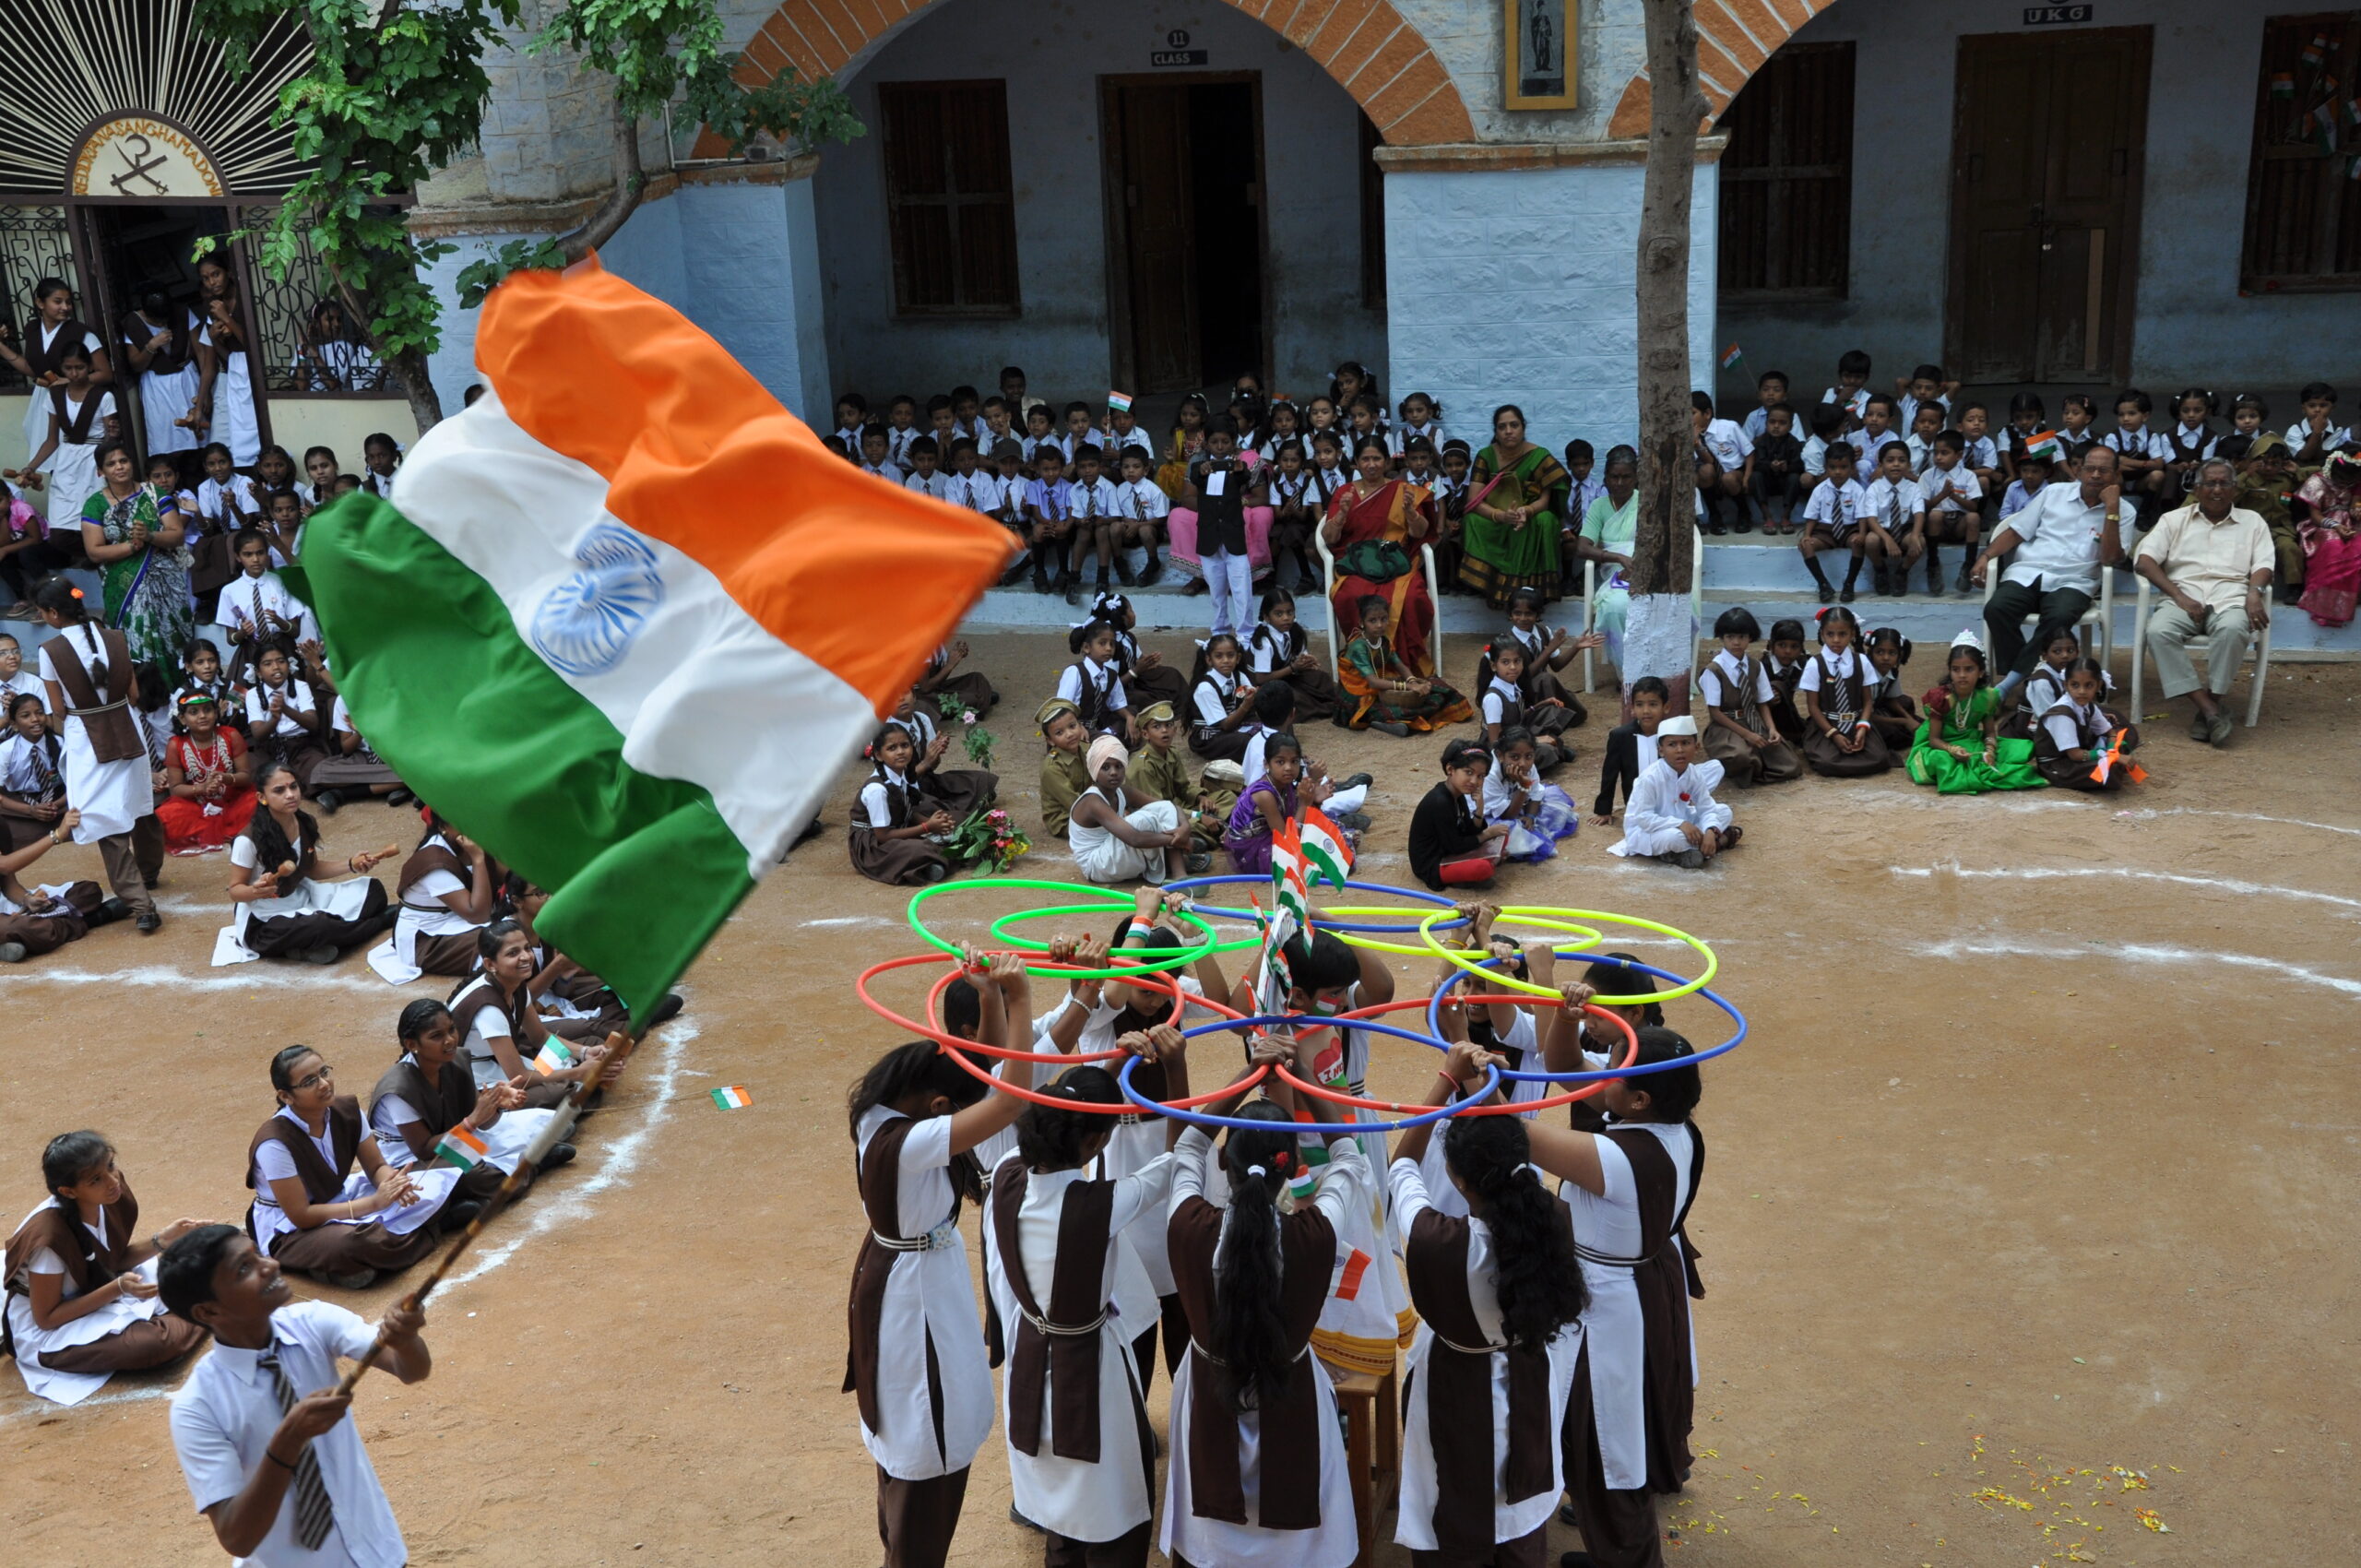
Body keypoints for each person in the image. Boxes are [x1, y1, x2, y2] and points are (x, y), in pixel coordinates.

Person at [848, 966, 1031, 1568]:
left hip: (905, 1280)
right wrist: (1022, 996)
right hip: (916, 1301)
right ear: (937, 1105)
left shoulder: (881, 1114)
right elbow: (1006, 1100)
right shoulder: (914, 1141)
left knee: (906, 1450)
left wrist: (986, 994)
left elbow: (983, 1068)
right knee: (929, 1447)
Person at [1160, 1060, 1371, 1568]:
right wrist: (1300, 1076)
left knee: (1212, 1522)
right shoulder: (1314, 1234)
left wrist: (1245, 1074)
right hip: (1291, 1388)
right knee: (1297, 1536)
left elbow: (1187, 1145)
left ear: (1225, 1162)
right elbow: (1348, 1154)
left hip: (1210, 1388)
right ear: (1292, 1163)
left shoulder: (1189, 1225)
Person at [984, 1044, 1187, 1568]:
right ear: (1097, 1143)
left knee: (1059, 1511)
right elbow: (1183, 1152)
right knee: (1115, 1510)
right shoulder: (1104, 1205)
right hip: (1090, 1368)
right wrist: (1178, 1066)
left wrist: (1112, 1072)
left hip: (1029, 1356)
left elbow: (1067, 1121)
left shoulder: (1005, 1177)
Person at [1388, 1042, 1587, 1564]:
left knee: (1450, 1502)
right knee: (1519, 1511)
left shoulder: (1440, 1239)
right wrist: (1487, 1093)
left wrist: (1447, 1079)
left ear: (1455, 1177)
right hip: (1527, 1374)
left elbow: (1401, 1164)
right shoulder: (1552, 1216)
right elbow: (1511, 1154)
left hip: (1456, 1384)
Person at [1520, 1025, 1707, 1568]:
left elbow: (1512, 1129)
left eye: (1615, 1071)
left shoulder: (1614, 1157)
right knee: (1621, 1431)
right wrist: (1562, 1012)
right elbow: (1566, 1064)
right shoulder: (1679, 1133)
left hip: (1605, 1313)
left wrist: (1466, 1079)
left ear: (1640, 1099)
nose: (1603, 1073)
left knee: (1604, 1443)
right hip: (1643, 1289)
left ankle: (1627, 1561)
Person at [161, 1223, 431, 1565]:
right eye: (244, 1268)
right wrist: (287, 1441)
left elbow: (412, 1369)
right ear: (208, 1312)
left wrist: (405, 1340)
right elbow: (236, 1538)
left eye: (257, 1253)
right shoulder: (197, 1407)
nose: (270, 1265)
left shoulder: (313, 1322)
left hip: (376, 1554)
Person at [4, 1130, 207, 1406]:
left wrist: (161, 1241)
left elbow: (112, 1259)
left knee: (213, 1254)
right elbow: (47, 1317)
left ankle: (197, 1304)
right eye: (96, 1179)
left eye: (111, 1165)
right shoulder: (48, 1240)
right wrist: (117, 1288)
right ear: (68, 1191)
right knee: (154, 1344)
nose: (112, 1181)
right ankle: (206, 1305)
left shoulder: (109, 1194)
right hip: (52, 1326)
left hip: (100, 1287)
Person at [242, 1046, 463, 1289]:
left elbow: (377, 1165)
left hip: (343, 1198)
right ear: (286, 1096)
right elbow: (301, 1215)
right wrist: (375, 1203)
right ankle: (434, 1226)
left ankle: (361, 1263)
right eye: (309, 1081)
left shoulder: (346, 1111)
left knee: (440, 1181)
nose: (324, 1084)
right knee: (357, 1242)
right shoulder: (275, 1142)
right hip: (292, 1228)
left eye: (324, 1072)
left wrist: (395, 1185)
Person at [32, 577, 159, 932]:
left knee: (105, 821)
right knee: (140, 805)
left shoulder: (49, 651)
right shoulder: (115, 637)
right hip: (127, 725)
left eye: (43, 612)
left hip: (87, 738)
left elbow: (58, 709)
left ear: (54, 613)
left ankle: (141, 905)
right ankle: (149, 874)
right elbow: (133, 693)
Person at [2134, 458, 2273, 746]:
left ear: (2235, 489)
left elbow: (2264, 564)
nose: (2217, 489)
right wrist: (2179, 597)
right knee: (2158, 632)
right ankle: (2209, 709)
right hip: (2182, 597)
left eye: (2224, 483)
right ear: (2197, 489)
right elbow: (2144, 561)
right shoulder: (2174, 520)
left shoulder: (2252, 522)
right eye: (2210, 483)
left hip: (2230, 597)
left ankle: (2211, 704)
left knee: (2235, 629)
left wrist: (2253, 592)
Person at [367, 999, 548, 1212]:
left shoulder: (456, 1059)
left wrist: (496, 1102)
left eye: (451, 1030)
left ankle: (513, 1171)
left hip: (454, 1135)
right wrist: (472, 1121)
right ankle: (530, 1166)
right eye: (437, 1036)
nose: (450, 1040)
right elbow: (424, 1149)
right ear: (412, 1044)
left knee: (543, 1122)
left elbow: (481, 1118)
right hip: (411, 1155)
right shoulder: (398, 1089)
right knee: (475, 1172)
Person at [1972, 445, 2129, 681]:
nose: (2096, 475)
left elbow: (2109, 558)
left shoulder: (2124, 511)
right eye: (2090, 469)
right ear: (2079, 471)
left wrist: (2112, 510)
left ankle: (2012, 683)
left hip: (2074, 582)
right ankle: (2030, 679)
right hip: (2028, 572)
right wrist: (1985, 556)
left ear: (2116, 475)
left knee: (2059, 618)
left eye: (2104, 470)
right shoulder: (2054, 493)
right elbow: (2016, 531)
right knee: (1996, 609)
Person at [1322, 435, 1440, 671]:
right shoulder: (1345, 492)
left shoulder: (1403, 491)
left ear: (1386, 462)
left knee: (1415, 598)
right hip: (1357, 566)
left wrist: (1410, 513)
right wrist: (1341, 515)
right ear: (1356, 462)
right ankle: (1363, 662)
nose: (1371, 464)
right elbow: (1329, 538)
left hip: (1395, 565)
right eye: (1365, 459)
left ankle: (1407, 663)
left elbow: (1420, 533)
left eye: (1377, 458)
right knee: (1347, 596)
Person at [0, 278, 108, 506]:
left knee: (76, 460)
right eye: (57, 301)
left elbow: (105, 373)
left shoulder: (81, 333)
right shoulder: (31, 329)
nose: (65, 307)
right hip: (45, 400)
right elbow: (32, 368)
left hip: (74, 399)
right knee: (56, 463)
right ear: (40, 303)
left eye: (68, 302)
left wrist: (68, 380)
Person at [369, 811, 504, 984]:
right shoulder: (434, 862)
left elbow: (507, 877)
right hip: (426, 939)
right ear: (443, 827)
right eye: (461, 824)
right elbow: (478, 915)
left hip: (456, 919)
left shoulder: (467, 843)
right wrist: (478, 859)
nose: (470, 829)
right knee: (501, 943)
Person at [1906, 630, 2046, 794]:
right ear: (1950, 671)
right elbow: (1934, 739)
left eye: (1969, 669)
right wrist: (1952, 750)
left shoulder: (1987, 697)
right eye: (1956, 669)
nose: (1962, 675)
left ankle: (1978, 766)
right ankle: (1970, 773)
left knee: (2024, 747)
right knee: (1942, 760)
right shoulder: (1941, 698)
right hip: (1941, 746)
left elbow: (1989, 733)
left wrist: (1990, 751)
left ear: (1980, 672)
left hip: (1972, 740)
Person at [1460, 405, 1569, 607]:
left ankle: (1538, 588)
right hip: (1498, 517)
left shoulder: (1540, 456)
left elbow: (1545, 501)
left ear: (1523, 428)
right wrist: (1500, 516)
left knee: (1546, 520)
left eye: (1514, 425)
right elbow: (1473, 501)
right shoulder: (1486, 456)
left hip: (1531, 515)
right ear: (1496, 432)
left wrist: (1526, 511)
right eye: (1502, 427)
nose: (1508, 431)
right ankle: (1490, 583)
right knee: (1472, 520)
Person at [1608, 716, 1738, 869]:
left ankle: (1697, 848)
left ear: (1696, 747)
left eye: (1685, 743)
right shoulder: (1650, 777)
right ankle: (1716, 843)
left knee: (1724, 811)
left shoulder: (1692, 773)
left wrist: (1710, 830)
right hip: (1646, 831)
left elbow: (1707, 807)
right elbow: (1643, 818)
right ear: (1661, 750)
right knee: (1674, 837)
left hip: (1682, 821)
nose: (1680, 750)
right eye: (1672, 744)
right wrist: (1680, 824)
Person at [1339, 595, 1473, 735]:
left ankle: (1398, 723)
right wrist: (1408, 687)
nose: (1379, 625)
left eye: (1383, 619)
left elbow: (1400, 665)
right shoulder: (1358, 647)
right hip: (1360, 695)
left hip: (1381, 688)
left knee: (1437, 686)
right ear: (1362, 622)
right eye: (1372, 620)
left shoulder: (1383, 640)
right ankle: (1387, 723)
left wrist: (1414, 682)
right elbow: (1373, 683)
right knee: (1392, 711)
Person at [1696, 608, 1801, 786]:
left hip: (1753, 721)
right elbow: (1715, 713)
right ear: (1722, 637)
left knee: (1791, 765)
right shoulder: (1713, 671)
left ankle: (1755, 769)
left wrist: (1772, 729)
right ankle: (1745, 766)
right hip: (1726, 726)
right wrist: (1747, 735)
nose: (1736, 642)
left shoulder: (1755, 666)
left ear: (1750, 637)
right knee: (1740, 755)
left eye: (1742, 637)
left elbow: (1762, 703)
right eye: (1730, 637)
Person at [18, 344, 118, 529]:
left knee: (95, 519)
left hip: (94, 460)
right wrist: (30, 467)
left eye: (79, 368)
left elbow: (109, 439)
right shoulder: (55, 396)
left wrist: (112, 443)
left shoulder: (104, 396)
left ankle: (96, 554)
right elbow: (51, 441)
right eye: (68, 368)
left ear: (89, 366)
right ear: (61, 368)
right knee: (61, 525)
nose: (74, 374)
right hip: (66, 461)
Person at [1071, 734, 1192, 885]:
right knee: (1142, 820)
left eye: (1119, 766)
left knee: (1163, 807)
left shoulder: (1122, 791)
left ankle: (1180, 875)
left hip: (1115, 854)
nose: (1113, 772)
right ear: (1094, 770)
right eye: (1105, 767)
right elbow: (1134, 839)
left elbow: (1169, 806)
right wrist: (1177, 840)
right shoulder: (1092, 801)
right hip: (1097, 866)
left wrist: (1185, 828)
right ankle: (1169, 860)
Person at [849, 721, 959, 886]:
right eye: (892, 748)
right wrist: (927, 828)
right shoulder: (876, 790)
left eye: (905, 745)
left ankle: (931, 863)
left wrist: (936, 824)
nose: (900, 752)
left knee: (955, 820)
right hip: (873, 844)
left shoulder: (901, 775)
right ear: (878, 755)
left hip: (896, 828)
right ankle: (927, 865)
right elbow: (883, 836)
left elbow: (906, 810)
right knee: (918, 849)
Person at [159, 690, 256, 854]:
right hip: (196, 806)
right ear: (182, 719)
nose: (202, 716)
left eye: (207, 710)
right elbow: (175, 788)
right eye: (194, 712)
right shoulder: (175, 745)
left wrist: (227, 778)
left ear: (216, 713)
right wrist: (201, 788)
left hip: (234, 802)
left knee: (258, 803)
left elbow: (246, 777)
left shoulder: (231, 735)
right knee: (165, 816)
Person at [1797, 606, 1891, 777]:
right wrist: (1833, 734)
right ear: (1822, 633)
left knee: (1880, 758)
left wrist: (1863, 727)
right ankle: (1832, 747)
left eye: (1842, 634)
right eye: (1830, 634)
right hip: (1827, 725)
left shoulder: (1861, 661)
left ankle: (1858, 741)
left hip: (1856, 722)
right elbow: (1813, 707)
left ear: (1852, 634)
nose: (1836, 640)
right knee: (1826, 762)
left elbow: (1868, 701)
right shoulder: (1815, 664)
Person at [1222, 731, 1330, 876]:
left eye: (1294, 761)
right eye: (1280, 762)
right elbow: (1287, 840)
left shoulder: (1284, 784)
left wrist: (1314, 800)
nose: (1288, 768)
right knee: (1307, 859)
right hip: (1252, 848)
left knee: (1326, 830)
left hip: (1277, 832)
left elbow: (1293, 817)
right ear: (1267, 764)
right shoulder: (1264, 794)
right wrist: (1306, 803)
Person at [1409, 736, 1512, 890]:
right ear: (1450, 770)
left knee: (1501, 834)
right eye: (1468, 772)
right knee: (1482, 869)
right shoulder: (1440, 801)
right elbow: (1455, 845)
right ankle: (1474, 869)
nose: (1474, 781)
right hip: (1433, 863)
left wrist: (1480, 809)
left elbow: (1466, 831)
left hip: (1451, 850)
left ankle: (1481, 863)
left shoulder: (1457, 794)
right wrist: (1487, 834)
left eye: (1480, 776)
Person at [1124, 701, 1226, 856]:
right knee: (1191, 826)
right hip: (1159, 817)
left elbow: (1183, 787)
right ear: (1145, 734)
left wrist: (1200, 798)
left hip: (1177, 806)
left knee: (1226, 797)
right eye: (1156, 727)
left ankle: (1212, 830)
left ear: (1175, 729)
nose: (1164, 731)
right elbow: (1158, 809)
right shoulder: (1143, 766)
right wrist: (1198, 816)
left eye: (1168, 725)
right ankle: (1205, 835)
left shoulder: (1172, 753)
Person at [1574, 446, 1643, 671]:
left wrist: (1639, 566)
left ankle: (1653, 669)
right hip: (1616, 579)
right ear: (1605, 478)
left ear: (1637, 477)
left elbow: (1660, 543)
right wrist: (1618, 557)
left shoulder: (1646, 503)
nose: (1620, 483)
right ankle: (1628, 673)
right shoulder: (1599, 507)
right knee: (1615, 606)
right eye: (1614, 477)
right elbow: (1583, 547)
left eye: (1626, 477)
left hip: (1650, 573)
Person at [2034, 657, 2142, 792]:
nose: (2082, 691)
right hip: (2059, 765)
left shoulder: (2088, 705)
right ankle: (2113, 767)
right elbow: (2075, 755)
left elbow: (2110, 732)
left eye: (2089, 685)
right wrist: (2111, 756)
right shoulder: (2061, 714)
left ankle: (2114, 762)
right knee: (2107, 769)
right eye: (2075, 685)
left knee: (2125, 731)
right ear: (2066, 685)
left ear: (2098, 685)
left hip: (2081, 752)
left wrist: (2112, 749)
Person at [196, 255, 261, 466]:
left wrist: (227, 318)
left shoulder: (245, 300)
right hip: (235, 376)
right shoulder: (212, 308)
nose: (212, 282)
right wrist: (214, 339)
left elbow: (253, 348)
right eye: (206, 278)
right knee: (239, 435)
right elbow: (220, 360)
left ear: (229, 273)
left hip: (257, 373)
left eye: (216, 274)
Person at [1483, 726, 1582, 864]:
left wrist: (1530, 816)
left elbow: (1536, 792)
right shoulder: (1490, 774)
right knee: (1508, 831)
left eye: (1529, 756)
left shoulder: (1528, 765)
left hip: (1515, 804)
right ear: (1500, 755)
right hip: (1491, 815)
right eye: (1514, 757)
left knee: (1556, 808)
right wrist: (1523, 787)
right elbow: (1508, 815)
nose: (1522, 763)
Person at [1242, 587, 1341, 722]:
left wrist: (1307, 662)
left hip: (1286, 675)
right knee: (1293, 698)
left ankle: (1334, 702)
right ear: (1267, 617)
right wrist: (1293, 668)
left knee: (1321, 678)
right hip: (1264, 684)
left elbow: (1300, 657)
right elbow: (1261, 679)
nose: (1286, 618)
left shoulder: (1294, 631)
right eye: (1279, 614)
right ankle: (1323, 708)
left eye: (1290, 613)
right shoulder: (1264, 642)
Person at [1588, 675, 1671, 827]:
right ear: (1632, 708)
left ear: (1665, 707)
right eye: (1639, 705)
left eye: (1653, 704)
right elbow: (1609, 775)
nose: (1646, 711)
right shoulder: (1620, 736)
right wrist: (1604, 809)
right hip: (1637, 804)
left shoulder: (1671, 735)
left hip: (1669, 801)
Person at [2294, 450, 2361, 628]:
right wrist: (2336, 526)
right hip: (2322, 525)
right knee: (2334, 547)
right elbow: (2315, 516)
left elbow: (2356, 502)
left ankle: (2348, 598)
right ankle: (2324, 602)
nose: (2346, 483)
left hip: (2351, 524)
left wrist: (2357, 510)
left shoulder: (2356, 482)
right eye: (2343, 478)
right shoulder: (2316, 481)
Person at [1, 687, 66, 852]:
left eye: (40, 713)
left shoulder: (60, 744)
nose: (35, 719)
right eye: (26, 716)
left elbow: (77, 782)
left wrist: (56, 804)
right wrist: (30, 810)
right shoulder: (6, 750)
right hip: (20, 806)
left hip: (59, 801)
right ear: (14, 725)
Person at [1186, 632, 1260, 762]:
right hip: (1210, 737)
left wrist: (1255, 696)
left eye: (1230, 655)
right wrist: (1245, 705)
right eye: (1219, 656)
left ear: (1238, 658)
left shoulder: (1239, 676)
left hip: (1234, 724)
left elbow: (1248, 697)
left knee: (1275, 722)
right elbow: (1225, 725)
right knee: (1244, 741)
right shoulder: (1205, 688)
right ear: (1209, 660)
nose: (1226, 661)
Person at [1037, 698, 1095, 839]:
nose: (1069, 734)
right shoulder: (1052, 768)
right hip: (1065, 819)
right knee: (1112, 829)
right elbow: (1075, 804)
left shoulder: (1087, 749)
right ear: (1050, 740)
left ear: (1080, 726)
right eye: (1059, 733)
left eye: (1072, 726)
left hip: (1089, 806)